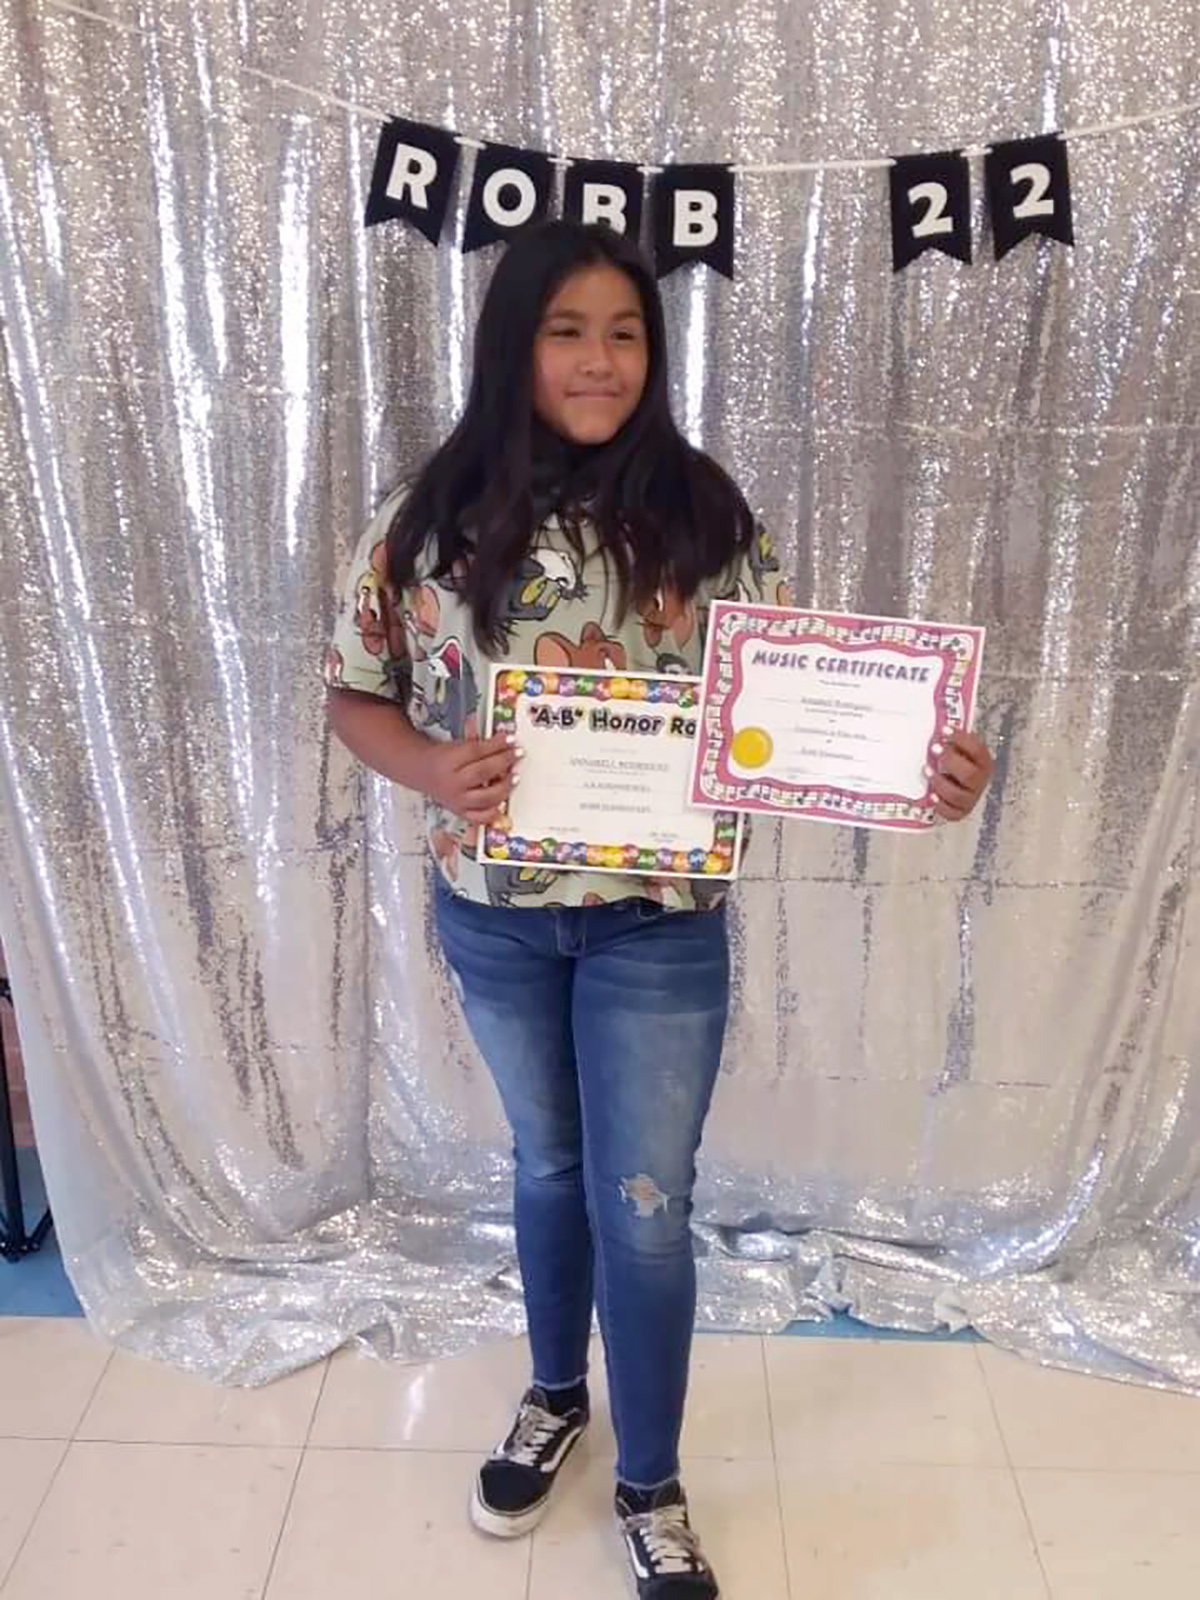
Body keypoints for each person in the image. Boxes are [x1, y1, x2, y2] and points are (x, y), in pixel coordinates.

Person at [324, 219, 993, 1598]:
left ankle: (652, 1480)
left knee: (644, 1201)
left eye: (625, 332)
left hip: (657, 927)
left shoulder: (703, 516)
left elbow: (798, 715)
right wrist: (432, 765)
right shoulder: (430, 520)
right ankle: (556, 1394)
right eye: (566, 329)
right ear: (514, 343)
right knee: (547, 1170)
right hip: (496, 910)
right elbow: (354, 694)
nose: (598, 357)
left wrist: (922, 773)